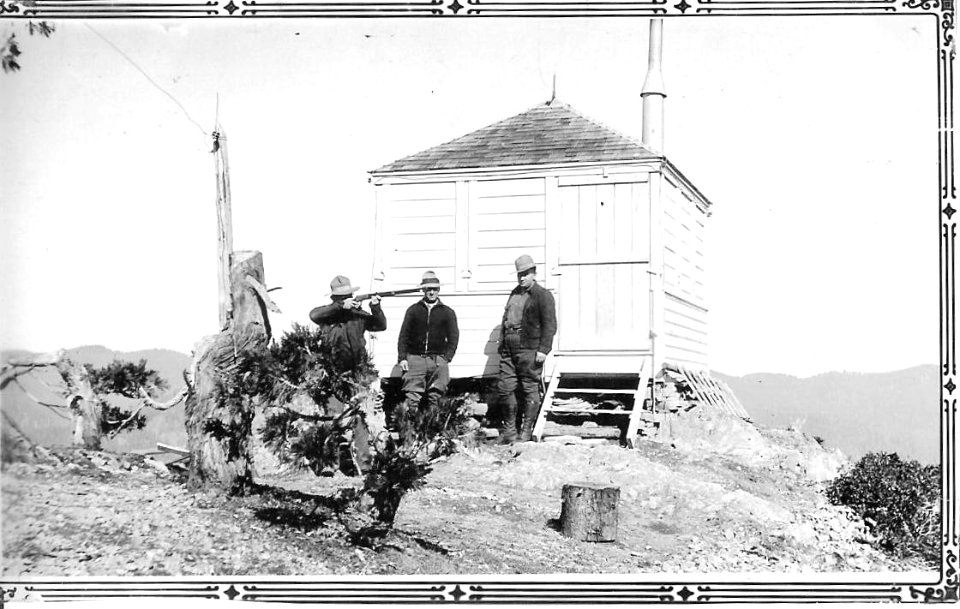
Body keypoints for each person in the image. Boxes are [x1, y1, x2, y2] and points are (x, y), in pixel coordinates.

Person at [308, 274, 387, 474]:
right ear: (335, 299)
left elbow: (380, 325)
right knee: (332, 418)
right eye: (342, 297)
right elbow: (314, 315)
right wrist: (339, 308)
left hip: (357, 374)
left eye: (349, 295)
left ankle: (365, 464)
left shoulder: (357, 315)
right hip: (332, 374)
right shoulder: (327, 316)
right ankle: (329, 464)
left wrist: (375, 307)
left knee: (360, 419)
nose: (347, 298)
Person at [496, 254, 557, 444]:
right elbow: (505, 319)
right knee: (506, 387)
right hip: (509, 347)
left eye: (525, 274)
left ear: (534, 273)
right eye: (519, 274)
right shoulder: (514, 293)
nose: (522, 278)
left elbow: (550, 325)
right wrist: (501, 343)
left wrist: (543, 350)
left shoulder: (543, 295)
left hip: (529, 347)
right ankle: (509, 431)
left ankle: (526, 431)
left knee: (530, 387)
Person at [396, 271, 459, 441]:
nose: (431, 292)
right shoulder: (413, 311)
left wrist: (446, 358)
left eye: (435, 289)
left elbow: (454, 337)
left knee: (436, 398)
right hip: (415, 359)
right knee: (411, 398)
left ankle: (433, 436)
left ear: (439, 290)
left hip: (437, 360)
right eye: (428, 289)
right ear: (422, 291)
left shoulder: (447, 312)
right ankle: (409, 437)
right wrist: (402, 357)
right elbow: (403, 335)